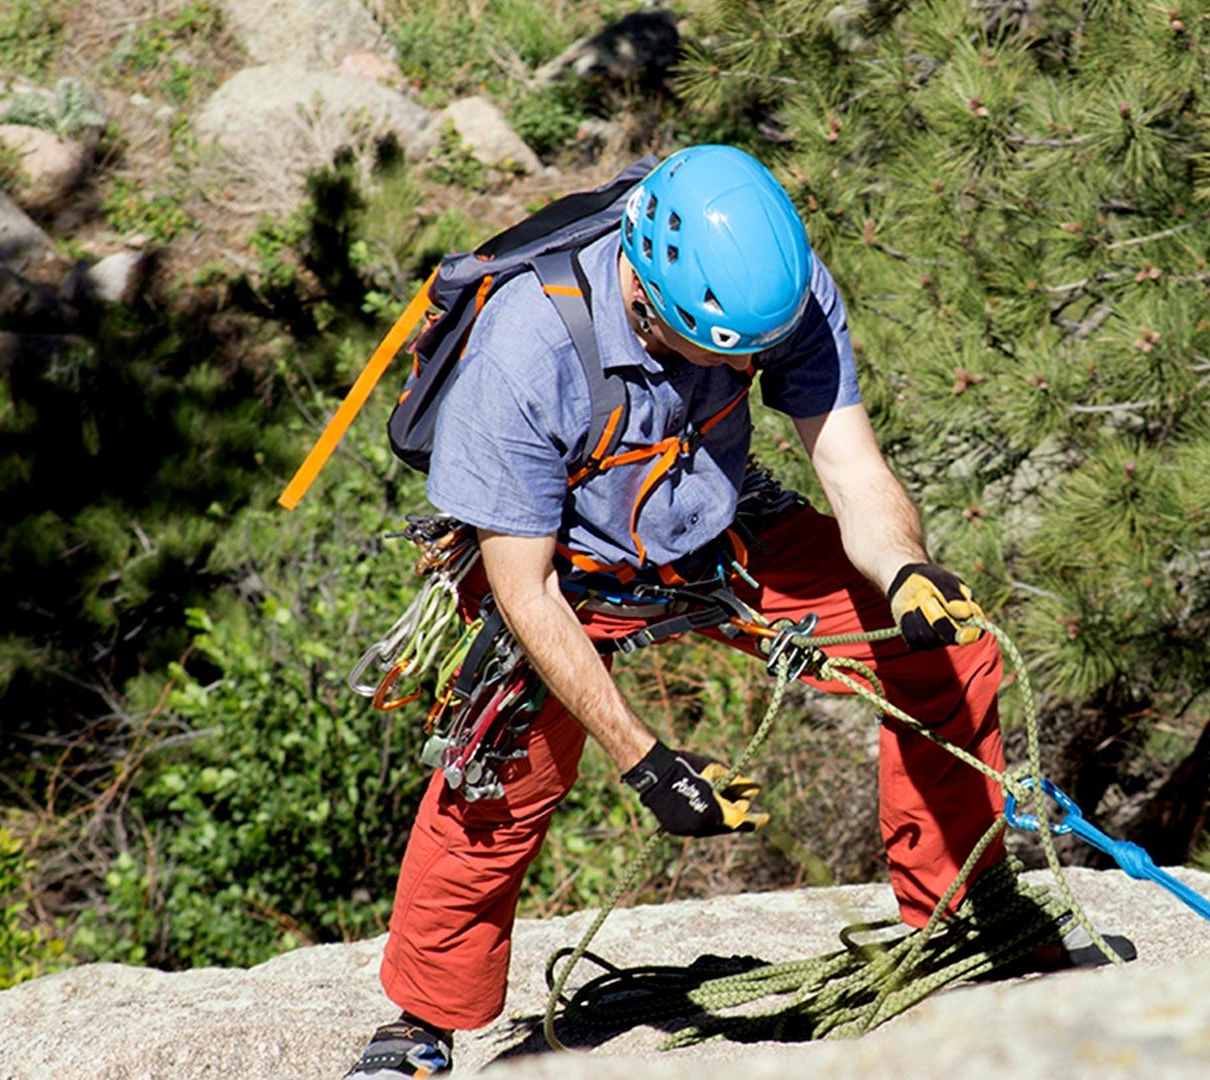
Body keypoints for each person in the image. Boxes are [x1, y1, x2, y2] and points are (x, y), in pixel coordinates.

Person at [345, 145, 1009, 1077]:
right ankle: (421, 1023)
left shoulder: (775, 298)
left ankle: (959, 923)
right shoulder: (528, 347)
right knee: (498, 774)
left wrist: (904, 570)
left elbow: (848, 461)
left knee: (949, 655)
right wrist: (644, 760)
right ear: (648, 297)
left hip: (710, 526)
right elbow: (523, 587)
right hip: (563, 566)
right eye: (719, 352)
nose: (742, 366)